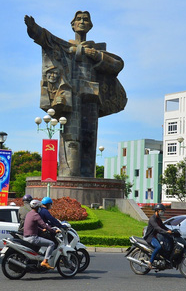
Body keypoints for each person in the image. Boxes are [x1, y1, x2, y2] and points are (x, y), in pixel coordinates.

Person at [25, 11, 127, 178]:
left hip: (92, 97)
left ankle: (87, 178)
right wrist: (33, 28)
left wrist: (95, 55)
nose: (81, 22)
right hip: (70, 98)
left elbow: (117, 65)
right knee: (72, 138)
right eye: (78, 19)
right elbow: (46, 39)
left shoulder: (95, 49)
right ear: (72, 24)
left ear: (90, 25)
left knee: (89, 139)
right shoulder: (65, 47)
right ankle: (69, 176)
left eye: (85, 19)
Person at [23, 199, 60, 269]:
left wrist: (41, 229)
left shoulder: (29, 213)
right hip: (32, 238)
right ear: (37, 207)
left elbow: (35, 225)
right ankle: (45, 261)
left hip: (26, 237)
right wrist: (54, 231)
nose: (40, 208)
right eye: (39, 207)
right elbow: (44, 225)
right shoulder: (36, 215)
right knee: (51, 244)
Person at [144, 204, 172, 269]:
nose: (162, 212)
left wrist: (169, 230)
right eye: (162, 211)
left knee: (164, 245)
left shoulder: (158, 218)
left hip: (156, 236)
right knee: (158, 247)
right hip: (150, 237)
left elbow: (162, 226)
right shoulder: (152, 219)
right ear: (157, 210)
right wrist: (166, 232)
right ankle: (150, 262)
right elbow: (157, 228)